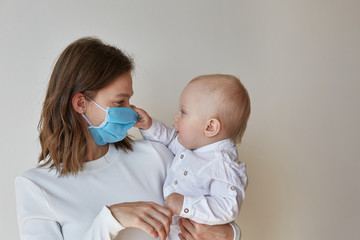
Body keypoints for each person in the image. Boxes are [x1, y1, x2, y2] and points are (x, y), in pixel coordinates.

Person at [15, 37, 242, 240]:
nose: (131, 110)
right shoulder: (37, 187)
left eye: (129, 100)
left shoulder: (156, 156)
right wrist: (111, 219)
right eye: (119, 102)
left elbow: (214, 205)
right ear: (81, 104)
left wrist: (231, 234)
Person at [133, 74, 250, 239]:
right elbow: (170, 138)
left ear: (210, 127)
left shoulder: (221, 163)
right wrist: (149, 126)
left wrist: (184, 204)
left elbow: (228, 206)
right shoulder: (195, 146)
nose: (176, 116)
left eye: (183, 112)